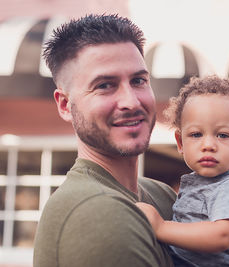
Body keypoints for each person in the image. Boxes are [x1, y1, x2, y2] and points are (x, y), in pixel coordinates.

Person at [33, 14, 176, 267]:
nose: (131, 102)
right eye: (105, 85)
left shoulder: (160, 195)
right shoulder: (99, 213)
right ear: (65, 105)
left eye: (138, 80)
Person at [137, 75, 229, 266]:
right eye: (196, 134)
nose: (208, 145)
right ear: (180, 142)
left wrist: (160, 227)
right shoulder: (194, 182)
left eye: (223, 135)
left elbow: (221, 236)